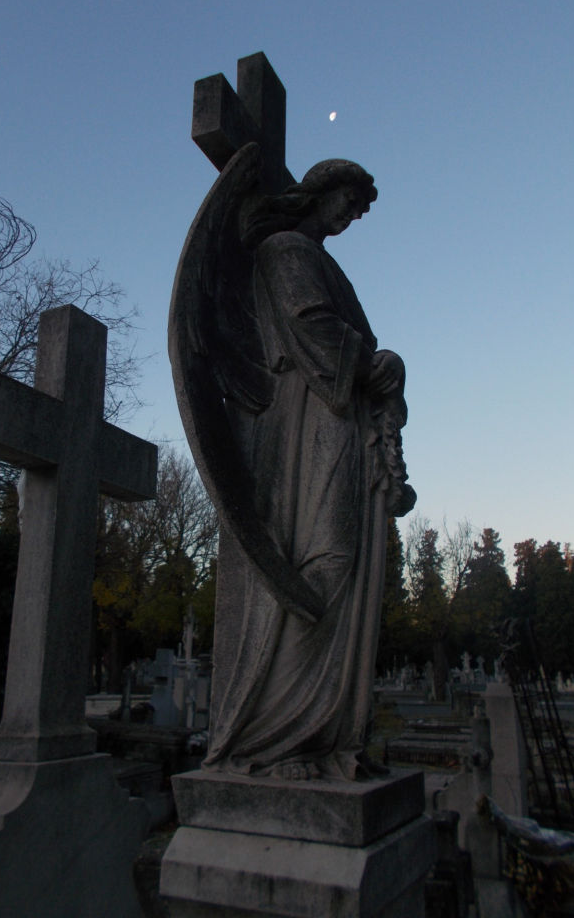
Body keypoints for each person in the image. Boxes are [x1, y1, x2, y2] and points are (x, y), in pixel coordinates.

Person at [201, 159, 415, 781]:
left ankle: (324, 734)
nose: (350, 215)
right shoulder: (286, 248)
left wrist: (379, 368)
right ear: (317, 194)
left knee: (339, 563)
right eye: (346, 201)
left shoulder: (319, 258)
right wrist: (367, 363)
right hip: (308, 412)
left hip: (335, 410)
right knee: (325, 559)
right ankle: (279, 735)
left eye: (357, 208)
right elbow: (308, 326)